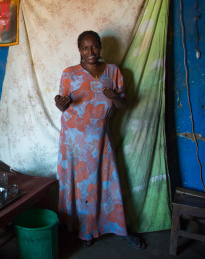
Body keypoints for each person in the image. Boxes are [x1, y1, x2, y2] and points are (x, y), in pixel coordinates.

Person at [54, 30, 146, 250]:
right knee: (82, 186)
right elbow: (62, 105)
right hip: (74, 141)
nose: (90, 52)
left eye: (94, 46)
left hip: (100, 139)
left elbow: (122, 105)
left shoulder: (113, 72)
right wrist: (60, 104)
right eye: (85, 48)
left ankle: (111, 227)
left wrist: (115, 98)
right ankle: (84, 230)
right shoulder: (69, 73)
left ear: (100, 47)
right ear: (79, 50)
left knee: (104, 183)